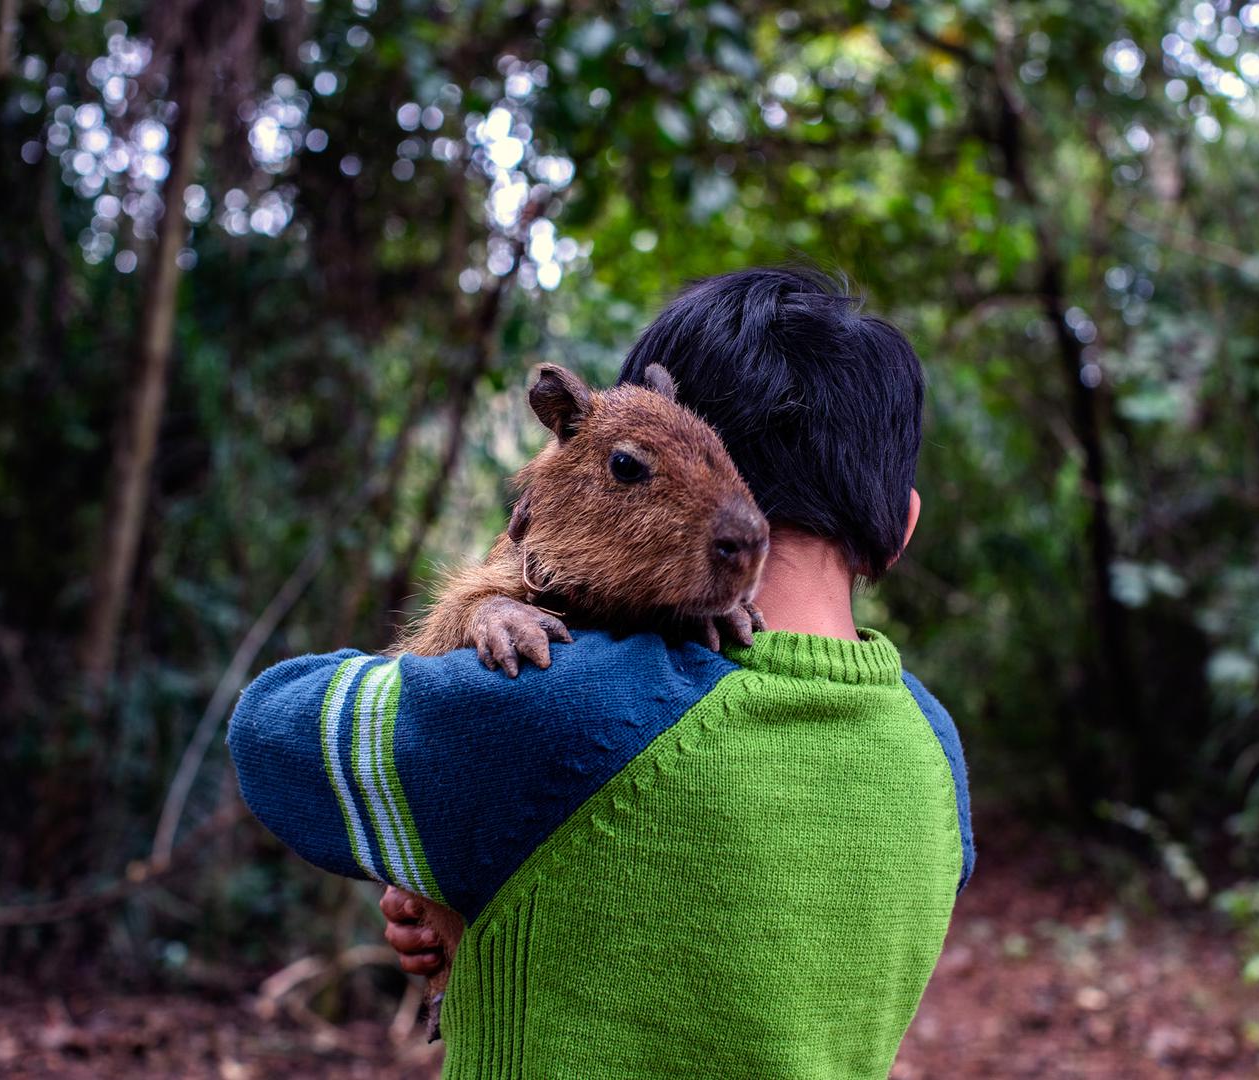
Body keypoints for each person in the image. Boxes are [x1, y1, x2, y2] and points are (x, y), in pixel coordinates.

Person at [228, 267, 973, 1079]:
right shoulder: (937, 754)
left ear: (711, 466)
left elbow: (270, 729)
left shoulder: (574, 716)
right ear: (901, 528)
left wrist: (447, 823)